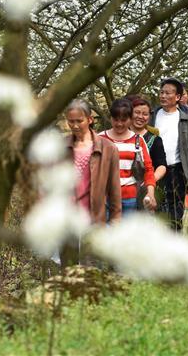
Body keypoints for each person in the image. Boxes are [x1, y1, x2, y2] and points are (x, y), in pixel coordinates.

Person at [61, 99, 120, 266]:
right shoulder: (60, 146)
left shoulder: (108, 148)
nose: (75, 125)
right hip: (68, 216)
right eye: (70, 121)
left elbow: (114, 187)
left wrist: (115, 218)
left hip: (94, 216)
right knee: (68, 266)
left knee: (91, 266)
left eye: (79, 121)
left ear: (90, 119)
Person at [149, 78, 188, 231]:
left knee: (176, 214)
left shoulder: (187, 120)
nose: (163, 96)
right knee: (157, 212)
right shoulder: (152, 116)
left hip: (178, 171)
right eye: (161, 92)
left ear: (177, 97)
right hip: (156, 171)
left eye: (168, 93)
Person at [99, 98, 157, 214]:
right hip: (104, 198)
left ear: (130, 119)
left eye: (124, 120)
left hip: (130, 199)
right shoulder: (100, 139)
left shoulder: (138, 140)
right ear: (110, 118)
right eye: (116, 119)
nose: (119, 124)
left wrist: (150, 193)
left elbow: (148, 169)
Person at [127, 95, 167, 208]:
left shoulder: (155, 139)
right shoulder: (121, 135)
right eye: (137, 112)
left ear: (149, 117)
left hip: (147, 191)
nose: (140, 117)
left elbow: (162, 165)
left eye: (145, 114)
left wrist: (150, 181)